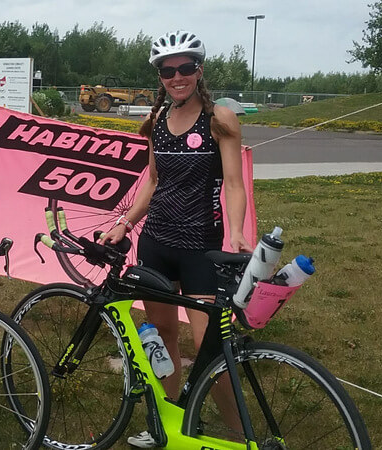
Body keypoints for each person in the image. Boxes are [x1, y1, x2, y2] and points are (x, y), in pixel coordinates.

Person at [101, 30, 252, 448]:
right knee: (163, 335)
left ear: (198, 70)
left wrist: (236, 232)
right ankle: (167, 424)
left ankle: (241, 438)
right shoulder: (156, 121)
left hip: (203, 248)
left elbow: (234, 185)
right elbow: (153, 181)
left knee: (210, 348)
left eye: (185, 67)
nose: (177, 76)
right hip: (157, 246)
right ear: (161, 77)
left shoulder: (219, 118)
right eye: (168, 71)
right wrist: (125, 223)